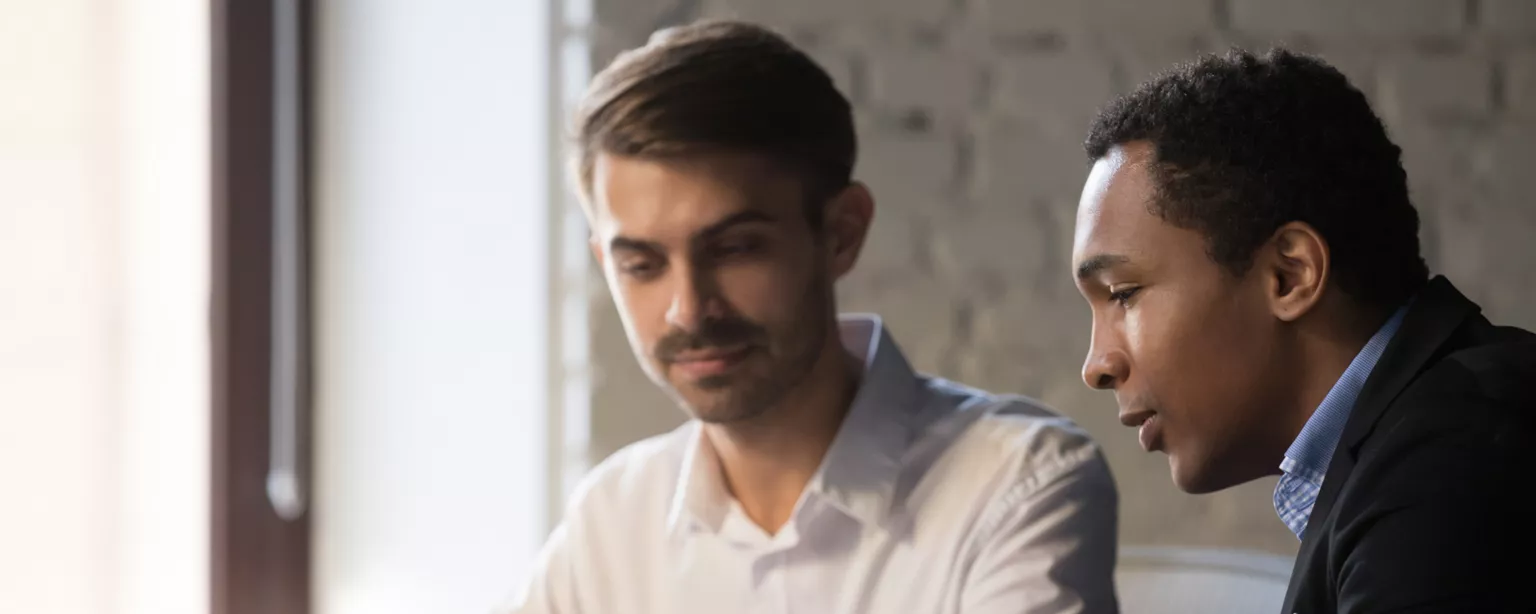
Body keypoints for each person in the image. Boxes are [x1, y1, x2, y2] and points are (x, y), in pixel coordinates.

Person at [511, 19, 1118, 614]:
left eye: (735, 248)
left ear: (841, 233)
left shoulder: (1018, 486)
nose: (689, 308)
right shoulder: (611, 521)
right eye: (642, 264)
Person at [1072, 47, 1536, 612]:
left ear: (1289, 275)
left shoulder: (1455, 463)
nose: (1096, 365)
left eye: (1123, 294)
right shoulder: (1417, 445)